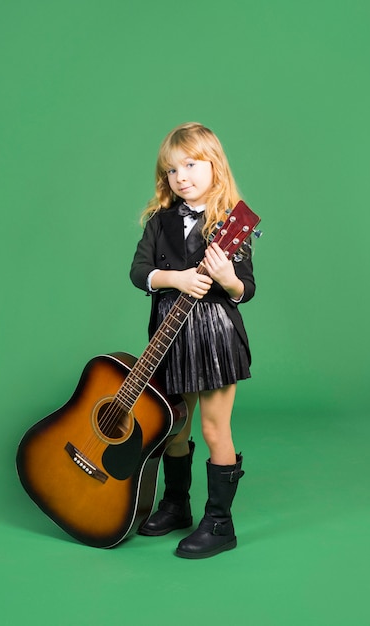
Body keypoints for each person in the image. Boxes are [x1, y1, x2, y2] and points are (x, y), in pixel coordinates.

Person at [129, 122, 256, 559]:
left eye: (190, 164)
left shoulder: (230, 222)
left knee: (213, 426)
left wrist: (228, 278)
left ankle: (220, 523)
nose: (180, 176)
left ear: (214, 167)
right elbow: (138, 272)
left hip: (215, 337)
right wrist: (173, 278)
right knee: (173, 427)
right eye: (171, 170)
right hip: (170, 336)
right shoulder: (159, 222)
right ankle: (176, 504)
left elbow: (246, 290)